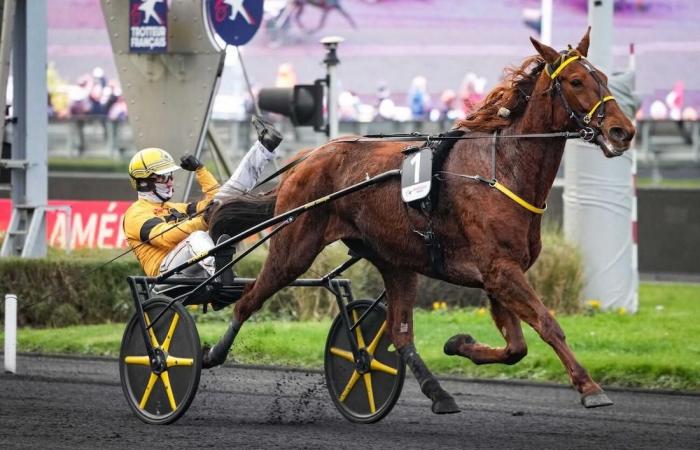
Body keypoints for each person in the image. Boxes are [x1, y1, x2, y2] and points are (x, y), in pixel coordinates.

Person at [122, 116, 283, 281]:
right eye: (163, 177)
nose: (170, 181)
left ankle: (264, 149)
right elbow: (164, 237)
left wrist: (200, 170)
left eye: (170, 175)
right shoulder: (135, 214)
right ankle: (218, 271)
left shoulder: (175, 207)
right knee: (198, 236)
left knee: (223, 204)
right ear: (144, 182)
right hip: (165, 274)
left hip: (190, 263)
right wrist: (203, 221)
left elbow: (216, 201)